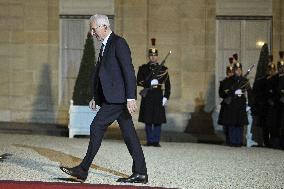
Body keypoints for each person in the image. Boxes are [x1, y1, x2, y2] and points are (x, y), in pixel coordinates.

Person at [60, 14, 148, 183]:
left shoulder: (118, 43)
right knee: (130, 135)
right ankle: (141, 172)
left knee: (96, 126)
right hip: (112, 98)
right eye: (91, 29)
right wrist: (96, 96)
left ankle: (83, 169)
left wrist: (131, 97)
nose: (92, 33)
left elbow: (128, 71)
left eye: (94, 29)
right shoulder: (105, 46)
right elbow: (103, 74)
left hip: (118, 99)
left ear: (104, 27)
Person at [137, 42, 171, 147]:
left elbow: (168, 85)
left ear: (157, 57)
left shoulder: (163, 69)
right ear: (149, 57)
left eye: (155, 56)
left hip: (158, 95)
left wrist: (166, 97)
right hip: (147, 95)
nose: (153, 57)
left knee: (157, 119)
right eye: (151, 56)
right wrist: (149, 83)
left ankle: (156, 141)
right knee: (148, 119)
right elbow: (138, 81)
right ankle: (150, 140)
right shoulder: (143, 68)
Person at [221, 57, 252, 147]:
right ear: (234, 70)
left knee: (240, 124)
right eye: (236, 70)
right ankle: (232, 141)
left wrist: (249, 105)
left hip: (241, 104)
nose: (238, 71)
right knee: (232, 123)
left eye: (240, 70)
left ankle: (239, 141)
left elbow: (250, 92)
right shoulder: (230, 80)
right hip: (232, 104)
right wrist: (234, 92)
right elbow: (226, 92)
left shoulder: (245, 81)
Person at [218, 57, 234, 145]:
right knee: (226, 124)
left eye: (231, 72)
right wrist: (226, 95)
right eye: (229, 72)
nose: (230, 73)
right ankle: (227, 139)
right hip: (226, 104)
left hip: (233, 104)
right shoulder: (224, 82)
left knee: (232, 123)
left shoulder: (235, 81)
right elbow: (220, 93)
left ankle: (232, 140)